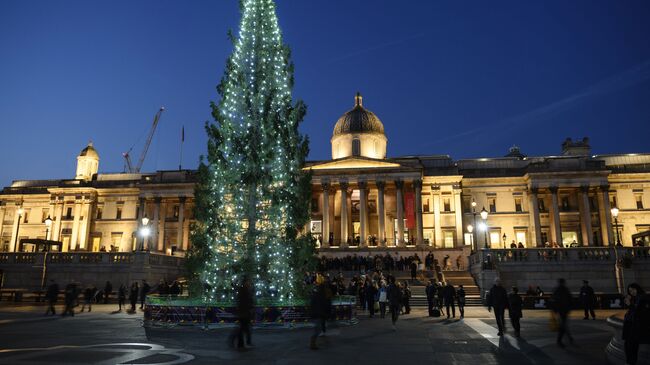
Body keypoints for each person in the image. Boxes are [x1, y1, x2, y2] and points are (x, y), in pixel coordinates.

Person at [623, 283, 650, 365]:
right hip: (630, 325)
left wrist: (630, 305)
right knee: (627, 345)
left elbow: (640, 313)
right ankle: (629, 362)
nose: (632, 292)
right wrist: (628, 302)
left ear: (637, 288)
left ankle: (631, 362)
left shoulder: (643, 297)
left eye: (633, 289)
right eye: (630, 291)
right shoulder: (635, 298)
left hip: (636, 326)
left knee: (631, 346)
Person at [229, 277, 254, 350]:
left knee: (243, 329)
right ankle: (240, 344)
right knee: (242, 329)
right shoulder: (243, 290)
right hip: (243, 313)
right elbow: (243, 302)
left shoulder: (247, 290)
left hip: (245, 313)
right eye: (248, 282)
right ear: (245, 283)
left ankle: (242, 343)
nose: (249, 283)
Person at [309, 274, 331, 350]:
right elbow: (324, 304)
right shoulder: (321, 294)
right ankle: (312, 343)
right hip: (318, 313)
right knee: (317, 328)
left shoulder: (317, 294)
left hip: (318, 313)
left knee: (318, 327)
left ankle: (313, 343)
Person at [551, 278, 574, 348]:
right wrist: (570, 308)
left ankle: (567, 337)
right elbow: (570, 299)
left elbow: (553, 300)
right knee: (563, 325)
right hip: (564, 310)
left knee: (563, 324)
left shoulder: (557, 290)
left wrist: (554, 310)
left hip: (560, 310)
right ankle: (560, 340)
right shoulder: (565, 290)